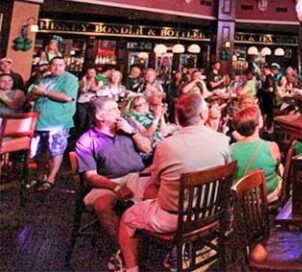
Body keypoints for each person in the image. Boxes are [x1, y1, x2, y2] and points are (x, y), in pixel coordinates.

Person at [118, 94, 230, 272]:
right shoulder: (222, 141)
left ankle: (131, 267)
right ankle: (178, 251)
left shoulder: (166, 146)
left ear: (178, 118)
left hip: (175, 218)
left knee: (128, 216)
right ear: (204, 115)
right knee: (153, 192)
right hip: (211, 212)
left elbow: (155, 180)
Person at [75, 98, 151, 259]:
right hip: (109, 181)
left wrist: (132, 132)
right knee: (102, 206)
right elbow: (91, 176)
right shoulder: (87, 140)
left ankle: (155, 244)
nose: (119, 112)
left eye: (118, 108)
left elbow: (146, 147)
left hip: (138, 175)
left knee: (158, 194)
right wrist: (115, 187)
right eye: (113, 109)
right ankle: (126, 251)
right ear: (99, 116)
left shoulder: (127, 125)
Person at [28, 56, 78, 190]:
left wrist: (43, 92)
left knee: (56, 151)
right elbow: (31, 96)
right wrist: (34, 93)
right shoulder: (44, 79)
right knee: (39, 151)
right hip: (39, 121)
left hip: (58, 121)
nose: (57, 67)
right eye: (54, 65)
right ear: (50, 66)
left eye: (60, 65)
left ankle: (51, 178)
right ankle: (40, 176)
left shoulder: (70, 79)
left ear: (65, 66)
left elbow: (66, 97)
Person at [230, 106, 281, 201]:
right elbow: (277, 165)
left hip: (242, 198)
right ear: (258, 124)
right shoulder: (271, 146)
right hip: (268, 196)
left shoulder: (231, 149)